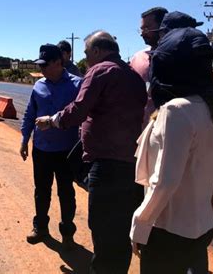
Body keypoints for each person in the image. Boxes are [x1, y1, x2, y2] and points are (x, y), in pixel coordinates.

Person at [36, 31, 147, 274]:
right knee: (120, 228)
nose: (85, 59)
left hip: (106, 165)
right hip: (133, 165)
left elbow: (78, 109)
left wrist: (52, 120)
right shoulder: (134, 77)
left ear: (97, 51)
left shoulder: (100, 71)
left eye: (86, 53)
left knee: (102, 227)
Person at [130, 23, 213, 274]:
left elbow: (165, 181)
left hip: (169, 231)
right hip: (200, 226)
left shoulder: (176, 110)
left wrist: (140, 224)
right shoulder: (206, 106)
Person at [20, 44, 82, 247]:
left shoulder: (77, 85)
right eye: (40, 65)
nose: (41, 69)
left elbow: (83, 116)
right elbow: (30, 114)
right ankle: (41, 228)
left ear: (58, 62)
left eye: (45, 65)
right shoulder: (38, 86)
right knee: (41, 190)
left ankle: (67, 233)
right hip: (42, 149)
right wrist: (24, 139)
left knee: (66, 192)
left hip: (66, 151)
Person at [130, 7, 168, 126]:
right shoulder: (137, 58)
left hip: (170, 129)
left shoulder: (178, 59)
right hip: (139, 131)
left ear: (162, 26)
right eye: (141, 29)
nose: (142, 33)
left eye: (147, 28)